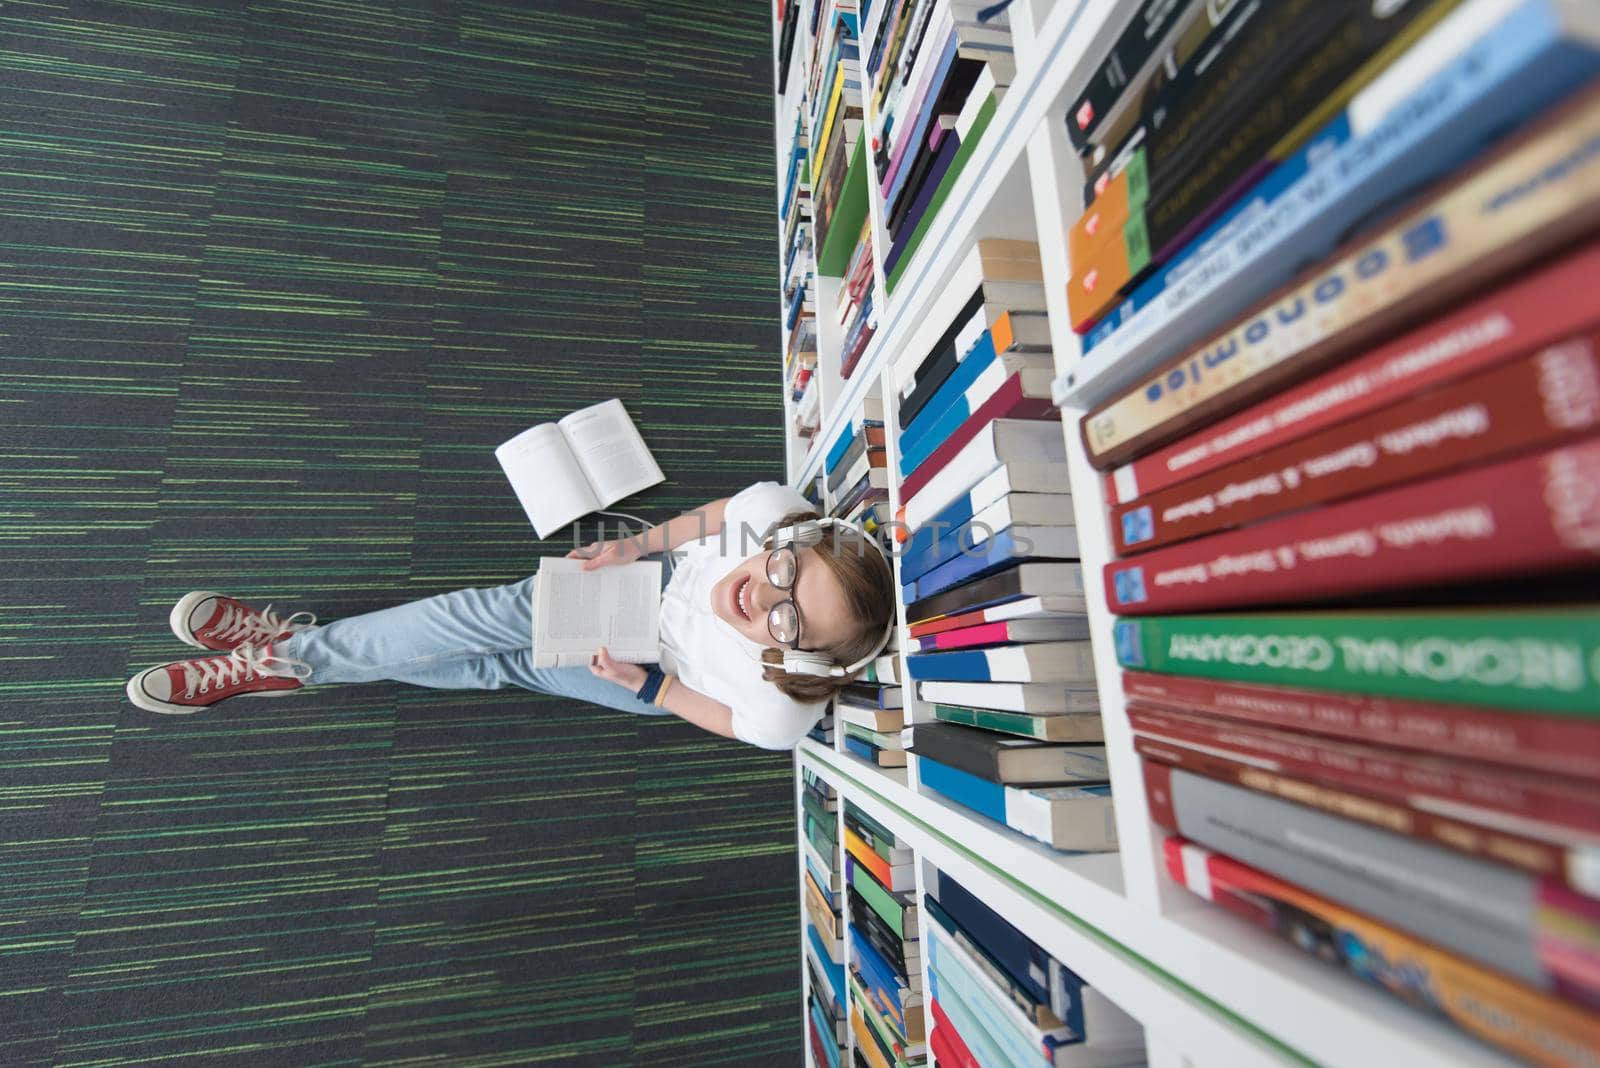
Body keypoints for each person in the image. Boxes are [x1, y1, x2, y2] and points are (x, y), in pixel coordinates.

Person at [124, 482, 897, 750]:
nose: (761, 596)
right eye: (785, 571)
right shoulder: (775, 514)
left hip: (652, 669)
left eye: (789, 622)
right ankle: (289, 660)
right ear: (793, 542)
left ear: (798, 659)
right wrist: (637, 549)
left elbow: (705, 712)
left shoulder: (778, 711)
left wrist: (640, 686)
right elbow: (716, 514)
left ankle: (290, 656)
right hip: (653, 582)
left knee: (505, 666)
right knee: (481, 616)